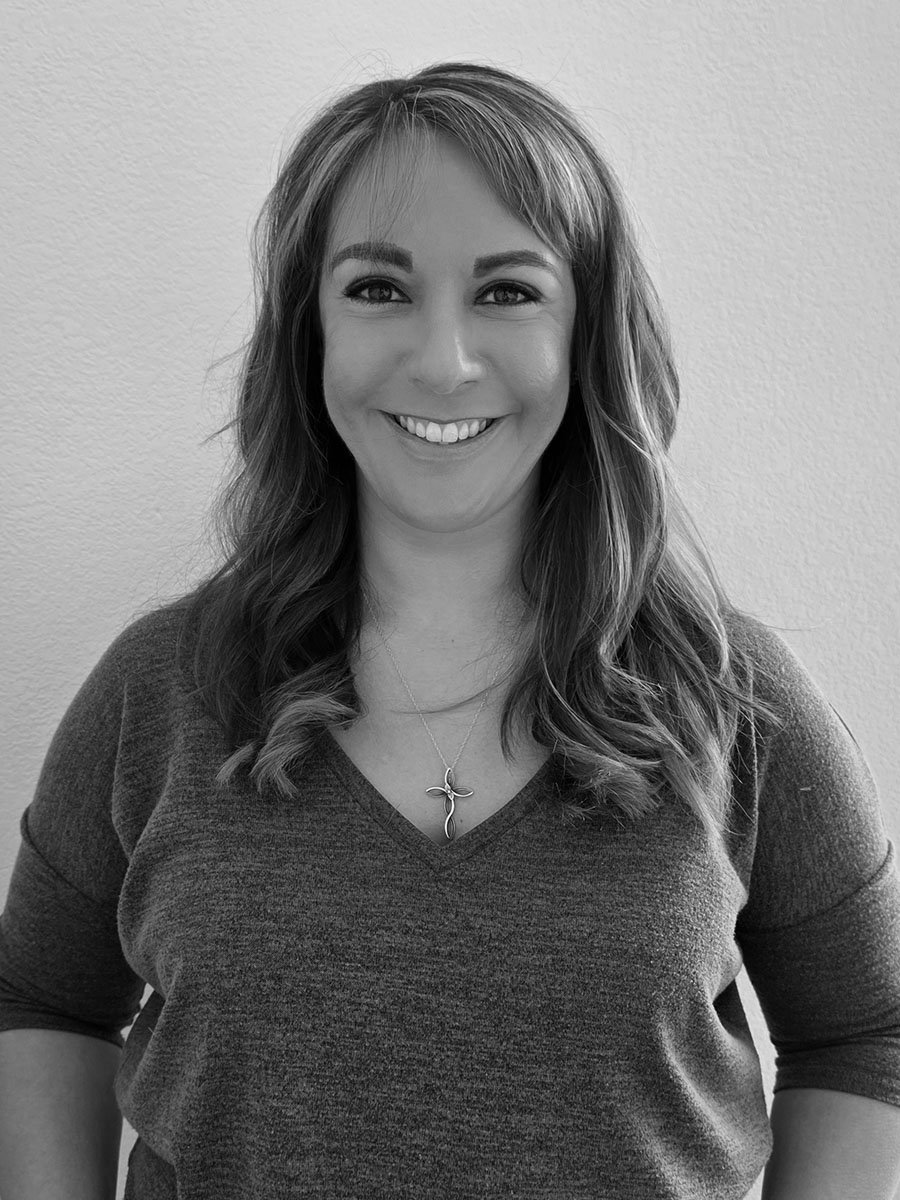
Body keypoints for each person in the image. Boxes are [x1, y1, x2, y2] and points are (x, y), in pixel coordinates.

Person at [1, 61, 899, 1200]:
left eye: (508, 292)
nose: (443, 359)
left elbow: (867, 1031)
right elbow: (41, 999)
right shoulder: (161, 690)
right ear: (307, 330)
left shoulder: (734, 697)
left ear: (587, 334)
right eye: (378, 289)